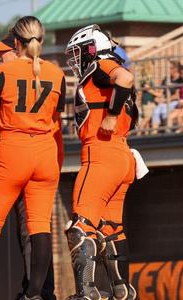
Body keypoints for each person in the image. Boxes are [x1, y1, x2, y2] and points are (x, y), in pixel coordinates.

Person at [0, 16, 66, 300]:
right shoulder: (57, 73)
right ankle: (35, 294)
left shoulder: (5, 72)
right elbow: (56, 115)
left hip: (13, 148)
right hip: (45, 151)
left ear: (16, 42)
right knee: (39, 226)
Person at [64, 24, 140, 300]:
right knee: (110, 229)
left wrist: (110, 115)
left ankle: (86, 292)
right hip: (122, 155)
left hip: (101, 153)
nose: (75, 60)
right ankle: (122, 290)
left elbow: (124, 78)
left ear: (91, 49)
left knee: (80, 227)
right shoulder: (104, 68)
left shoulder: (102, 66)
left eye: (78, 53)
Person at [151, 60, 183, 134]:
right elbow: (161, 92)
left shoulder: (180, 79)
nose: (168, 70)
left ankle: (168, 132)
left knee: (165, 111)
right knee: (156, 111)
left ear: (175, 69)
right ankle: (154, 133)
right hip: (165, 101)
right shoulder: (166, 78)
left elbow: (177, 95)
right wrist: (159, 98)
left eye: (170, 68)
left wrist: (165, 100)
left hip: (174, 101)